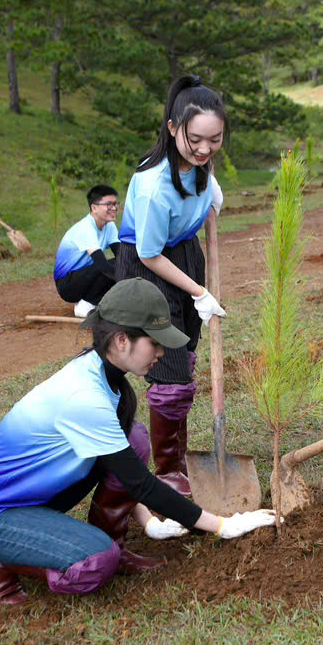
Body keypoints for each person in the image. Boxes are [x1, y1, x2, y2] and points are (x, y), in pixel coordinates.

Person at [0, 279, 277, 606]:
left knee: (134, 438)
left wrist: (149, 522)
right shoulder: (86, 398)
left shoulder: (107, 379)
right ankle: (5, 558)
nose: (162, 353)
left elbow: (122, 471)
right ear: (123, 340)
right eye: (155, 343)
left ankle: (74, 542)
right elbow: (142, 486)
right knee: (95, 563)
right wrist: (222, 525)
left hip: (31, 499)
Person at [114, 76, 226, 497]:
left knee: (186, 355)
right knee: (169, 366)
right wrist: (199, 292)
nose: (204, 149)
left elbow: (201, 180)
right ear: (173, 127)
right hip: (148, 269)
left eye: (214, 140)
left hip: (184, 255)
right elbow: (148, 253)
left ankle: (178, 455)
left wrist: (210, 192)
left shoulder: (199, 164)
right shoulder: (152, 184)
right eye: (195, 139)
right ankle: (168, 469)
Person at [54, 185, 122, 318]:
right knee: (109, 267)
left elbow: (122, 255)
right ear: (94, 207)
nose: (114, 208)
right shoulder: (85, 227)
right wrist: (128, 282)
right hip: (67, 285)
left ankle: (98, 301)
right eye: (109, 204)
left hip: (86, 276)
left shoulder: (109, 225)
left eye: (115, 203)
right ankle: (86, 304)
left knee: (122, 263)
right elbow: (102, 265)